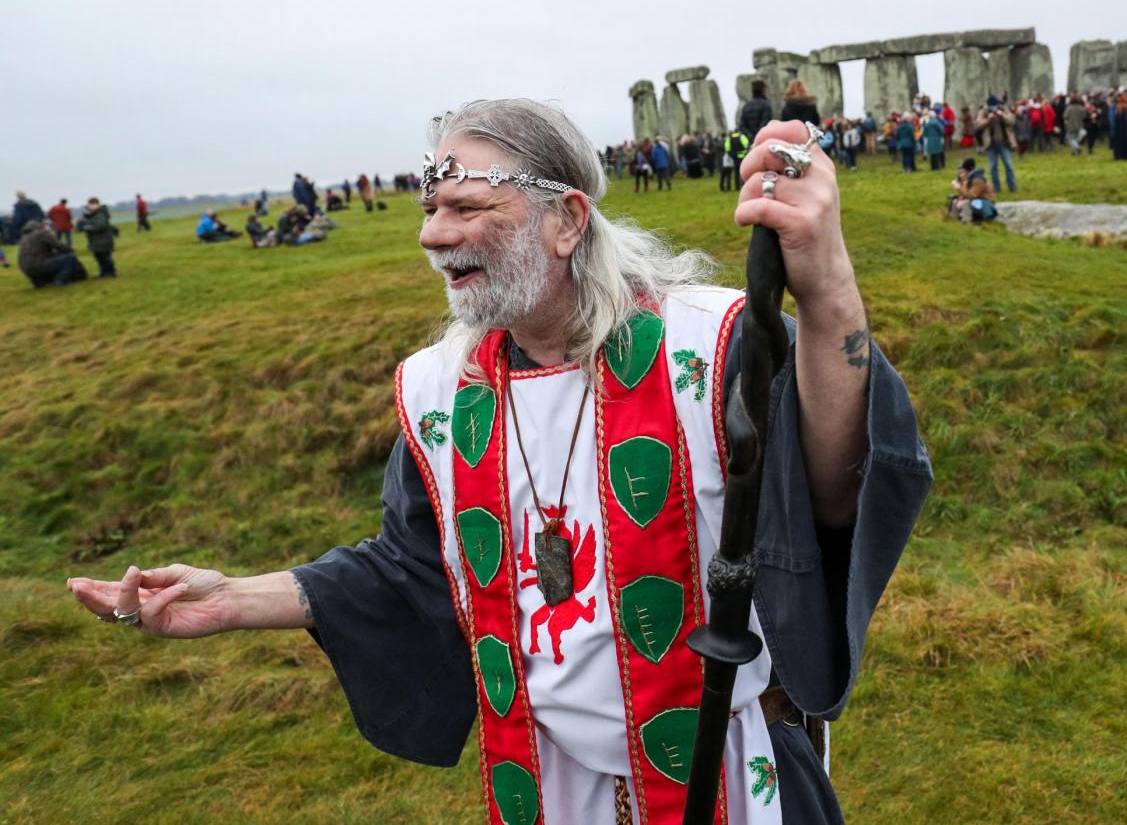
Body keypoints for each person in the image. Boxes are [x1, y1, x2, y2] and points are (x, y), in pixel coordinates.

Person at [67, 98, 931, 825]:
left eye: (469, 208)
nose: (434, 237)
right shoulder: (443, 395)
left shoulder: (706, 349)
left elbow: (830, 488)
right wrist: (229, 599)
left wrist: (827, 291)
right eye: (429, 210)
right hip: (549, 786)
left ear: (566, 220)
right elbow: (409, 568)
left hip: (728, 772)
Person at [18, 220, 86, 287]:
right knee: (70, 258)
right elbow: (58, 245)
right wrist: (70, 250)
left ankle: (40, 281)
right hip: (39, 264)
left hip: (25, 268)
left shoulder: (23, 237)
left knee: (52, 260)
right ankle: (60, 280)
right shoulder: (41, 233)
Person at [974, 97, 1018, 193]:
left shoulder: (1003, 109)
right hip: (990, 144)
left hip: (1004, 143)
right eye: (991, 106)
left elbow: (1012, 121)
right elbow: (978, 125)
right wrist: (988, 119)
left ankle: (1012, 186)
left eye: (995, 105)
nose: (993, 108)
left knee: (1009, 165)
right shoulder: (983, 111)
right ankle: (996, 188)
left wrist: (1002, 115)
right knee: (993, 167)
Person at [75, 197, 118, 277]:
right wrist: (81, 222)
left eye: (93, 204)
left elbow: (100, 226)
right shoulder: (89, 215)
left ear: (98, 204)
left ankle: (111, 272)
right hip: (95, 240)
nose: (91, 206)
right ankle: (104, 272)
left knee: (105, 256)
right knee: (98, 256)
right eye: (90, 204)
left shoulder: (100, 214)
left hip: (103, 239)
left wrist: (88, 227)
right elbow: (79, 228)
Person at [949, 157, 998, 223]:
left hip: (986, 203)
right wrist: (959, 199)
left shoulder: (978, 180)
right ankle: (954, 221)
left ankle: (966, 222)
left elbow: (972, 195)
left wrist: (958, 188)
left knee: (966, 203)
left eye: (963, 172)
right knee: (955, 201)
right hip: (976, 200)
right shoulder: (968, 180)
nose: (961, 174)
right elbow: (965, 194)